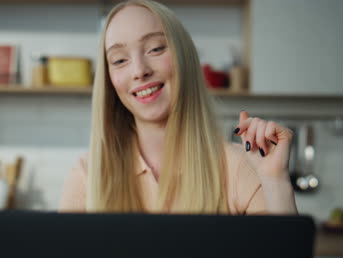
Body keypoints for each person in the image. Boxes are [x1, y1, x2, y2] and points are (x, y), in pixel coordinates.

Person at [59, 0, 298, 215]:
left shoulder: (239, 167)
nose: (139, 71)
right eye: (120, 60)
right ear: (108, 79)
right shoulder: (87, 174)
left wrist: (275, 181)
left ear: (185, 57)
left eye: (155, 48)